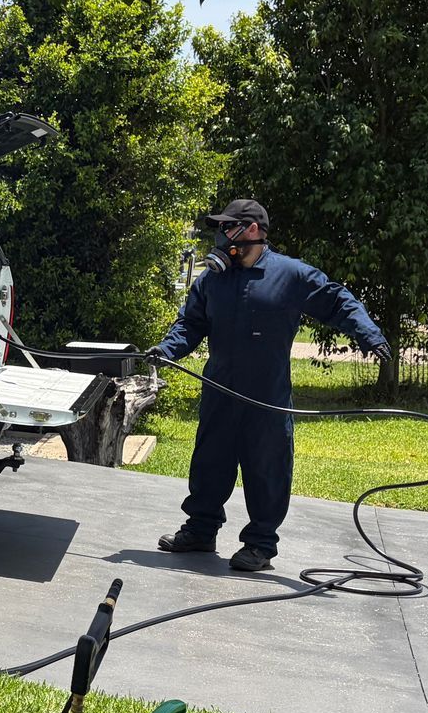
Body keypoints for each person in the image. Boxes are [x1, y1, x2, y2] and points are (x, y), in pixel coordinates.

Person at [149, 199, 392, 573]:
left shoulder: (290, 275)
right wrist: (166, 349)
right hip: (219, 391)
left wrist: (368, 334)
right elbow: (190, 324)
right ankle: (200, 530)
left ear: (252, 230)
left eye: (228, 227)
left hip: (267, 396)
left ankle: (260, 545)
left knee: (267, 469)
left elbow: (338, 301)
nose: (221, 234)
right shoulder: (213, 279)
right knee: (209, 463)